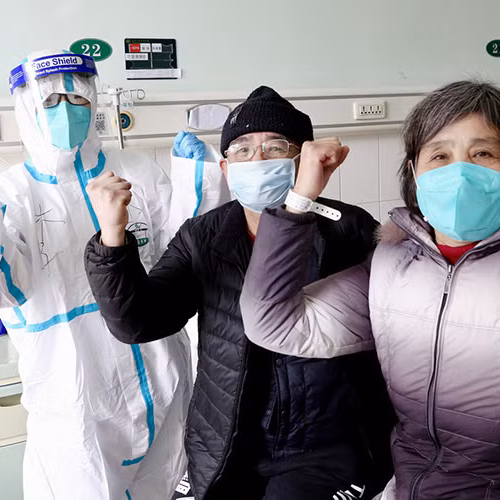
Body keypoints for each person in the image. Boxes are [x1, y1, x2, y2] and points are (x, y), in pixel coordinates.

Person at [239, 81, 500, 499]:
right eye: (440, 156)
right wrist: (298, 202)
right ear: (414, 173)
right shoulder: (390, 265)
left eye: (483, 154)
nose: (460, 173)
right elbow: (273, 322)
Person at [85, 86, 395, 500]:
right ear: (226, 169)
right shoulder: (203, 236)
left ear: (304, 159)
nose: (258, 160)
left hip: (325, 446)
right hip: (225, 440)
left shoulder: (347, 229)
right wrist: (112, 237)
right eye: (243, 150)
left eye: (275, 147)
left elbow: (392, 327)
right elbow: (138, 321)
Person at [0, 50, 192, 500]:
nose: (67, 111)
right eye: (50, 101)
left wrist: (201, 185)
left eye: (77, 99)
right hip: (75, 398)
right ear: (26, 109)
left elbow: (183, 252)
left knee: (166, 485)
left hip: (161, 374)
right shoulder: (11, 195)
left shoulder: (136, 171)